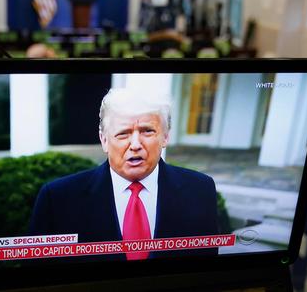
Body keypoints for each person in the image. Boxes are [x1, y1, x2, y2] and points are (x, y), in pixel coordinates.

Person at [29, 88, 219, 261]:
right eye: (123, 134)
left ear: (165, 137)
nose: (135, 144)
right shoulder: (57, 199)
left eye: (147, 131)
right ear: (104, 140)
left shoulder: (200, 190)